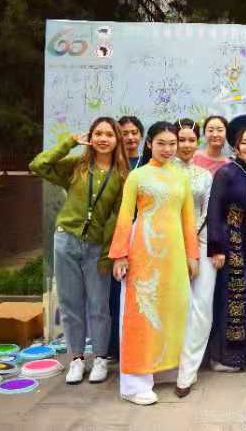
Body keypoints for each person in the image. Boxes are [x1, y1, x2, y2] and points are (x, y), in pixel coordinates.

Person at [29, 118, 129, 385]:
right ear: (91, 138)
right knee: (70, 304)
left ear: (117, 140)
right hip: (66, 240)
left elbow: (117, 218)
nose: (103, 139)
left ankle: (100, 357)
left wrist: (109, 254)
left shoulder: (121, 175)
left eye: (109, 134)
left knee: (99, 305)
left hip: (97, 247)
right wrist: (69, 142)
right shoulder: (77, 166)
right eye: (98, 133)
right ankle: (76, 358)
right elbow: (38, 165)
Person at [109, 122, 200, 405]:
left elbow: (188, 219)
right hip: (143, 251)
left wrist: (192, 255)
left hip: (174, 253)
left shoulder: (181, 177)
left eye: (172, 143)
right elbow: (125, 216)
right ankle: (133, 384)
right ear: (149, 144)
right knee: (140, 313)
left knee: (173, 309)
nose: (168, 149)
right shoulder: (137, 176)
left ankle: (160, 370)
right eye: (161, 143)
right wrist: (120, 254)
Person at [207, 115, 246, 373]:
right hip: (231, 243)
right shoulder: (227, 172)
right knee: (234, 298)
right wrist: (216, 248)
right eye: (245, 143)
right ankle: (224, 357)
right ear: (236, 145)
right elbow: (214, 211)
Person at [173, 119, 214, 398]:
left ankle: (188, 370)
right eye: (181, 140)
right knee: (174, 306)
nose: (186, 145)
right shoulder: (162, 173)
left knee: (202, 306)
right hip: (168, 242)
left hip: (201, 241)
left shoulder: (205, 175)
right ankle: (169, 363)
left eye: (191, 140)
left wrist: (193, 241)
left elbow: (208, 212)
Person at [109, 116, 145, 361]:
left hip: (143, 235)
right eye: (124, 133)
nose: (130, 137)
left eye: (134, 132)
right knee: (114, 292)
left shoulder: (147, 163)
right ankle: (114, 347)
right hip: (116, 234)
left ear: (141, 136)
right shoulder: (113, 164)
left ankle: (138, 344)